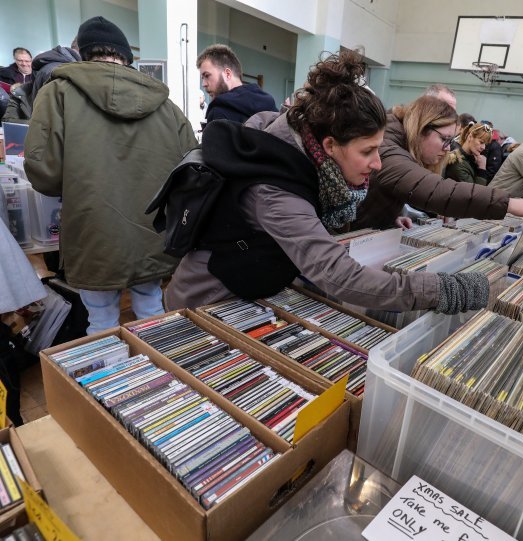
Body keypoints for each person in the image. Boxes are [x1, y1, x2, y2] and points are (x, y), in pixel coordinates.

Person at [165, 51, 489, 316]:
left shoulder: (302, 150)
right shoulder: (276, 191)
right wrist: (444, 289)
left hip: (245, 296)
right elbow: (339, 276)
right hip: (204, 307)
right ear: (331, 146)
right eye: (367, 151)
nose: (377, 164)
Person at [24, 16, 197, 334]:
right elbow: (192, 168)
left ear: (83, 53)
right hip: (152, 231)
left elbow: (43, 171)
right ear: (126, 56)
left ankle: (110, 382)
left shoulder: (58, 93)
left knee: (100, 321)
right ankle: (159, 381)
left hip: (93, 233)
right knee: (151, 311)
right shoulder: (166, 105)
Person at [350, 96, 523, 231]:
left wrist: (389, 218)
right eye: (445, 139)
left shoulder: (401, 140)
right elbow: (434, 189)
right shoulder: (388, 146)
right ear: (422, 128)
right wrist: (508, 203)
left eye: (452, 141)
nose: (449, 149)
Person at [197, 44, 277, 124]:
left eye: (207, 75)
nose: (203, 84)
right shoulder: (270, 106)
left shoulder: (219, 112)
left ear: (227, 74)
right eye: (202, 78)